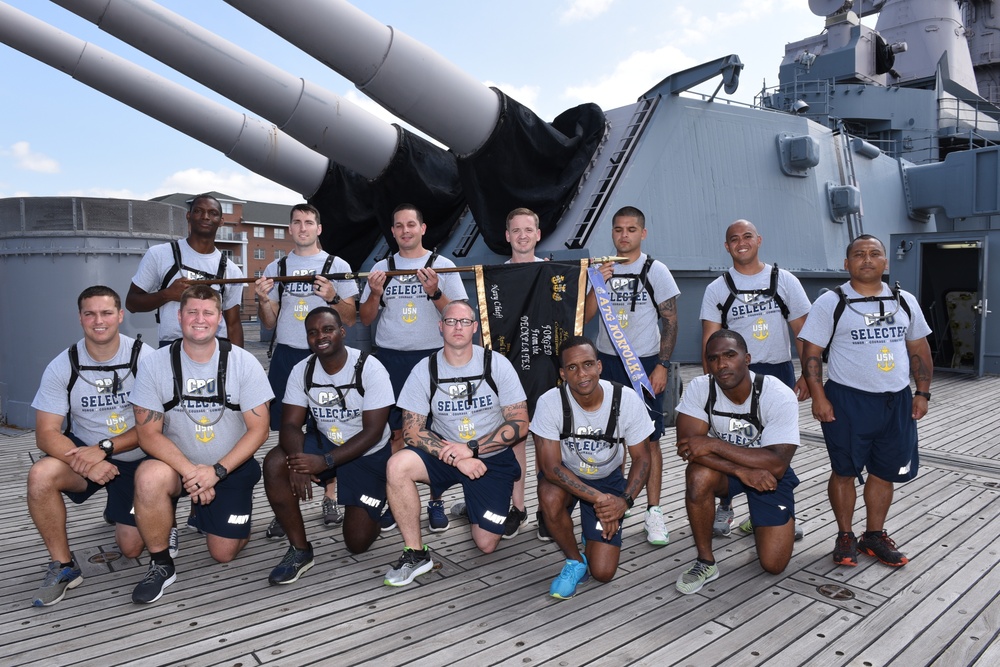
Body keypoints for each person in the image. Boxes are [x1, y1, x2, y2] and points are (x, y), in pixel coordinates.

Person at [128, 285, 272, 603]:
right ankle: (162, 564)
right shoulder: (154, 364)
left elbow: (259, 430)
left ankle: (207, 515)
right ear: (179, 316)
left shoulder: (244, 363)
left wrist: (217, 471)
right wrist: (195, 473)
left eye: (207, 312)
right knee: (147, 478)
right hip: (178, 467)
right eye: (192, 311)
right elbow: (147, 434)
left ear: (219, 319)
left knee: (223, 553)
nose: (199, 319)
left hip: (230, 468)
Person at [799, 234, 932, 568]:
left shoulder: (905, 301)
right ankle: (845, 535)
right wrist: (819, 397)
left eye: (875, 254)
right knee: (844, 470)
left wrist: (923, 391)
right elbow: (812, 352)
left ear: (886, 262)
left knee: (884, 471)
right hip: (848, 401)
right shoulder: (832, 302)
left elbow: (918, 348)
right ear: (847, 264)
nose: (867, 259)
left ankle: (873, 535)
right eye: (859, 254)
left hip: (896, 401)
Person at [382, 300, 529, 586]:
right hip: (446, 454)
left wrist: (472, 448)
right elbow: (411, 431)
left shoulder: (496, 363)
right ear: (441, 327)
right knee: (397, 465)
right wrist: (458, 457)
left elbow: (520, 423)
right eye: (450, 322)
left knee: (486, 543)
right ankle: (415, 553)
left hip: (490, 458)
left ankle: (472, 505)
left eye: (464, 322)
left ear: (474, 328)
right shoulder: (425, 369)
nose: (457, 327)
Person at [27, 286, 153, 606]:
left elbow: (155, 428)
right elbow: (46, 433)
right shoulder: (63, 365)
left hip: (136, 459)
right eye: (90, 313)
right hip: (85, 456)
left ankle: (141, 508)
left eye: (107, 312)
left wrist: (106, 449)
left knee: (131, 549)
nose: (99, 320)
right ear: (80, 318)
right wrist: (93, 459)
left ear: (120, 316)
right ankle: (64, 566)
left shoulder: (145, 358)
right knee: (41, 475)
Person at [261, 307, 393, 584]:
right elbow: (290, 425)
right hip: (326, 441)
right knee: (275, 463)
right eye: (313, 332)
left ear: (342, 332)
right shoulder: (303, 369)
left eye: (327, 329)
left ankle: (385, 499)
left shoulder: (370, 367)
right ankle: (300, 550)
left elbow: (373, 432)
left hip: (366, 453)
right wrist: (298, 461)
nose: (320, 336)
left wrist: (326, 462)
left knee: (357, 543)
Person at [359, 203, 469, 533]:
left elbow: (459, 314)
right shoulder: (382, 267)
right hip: (390, 359)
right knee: (393, 433)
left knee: (433, 434)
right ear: (392, 232)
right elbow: (365, 318)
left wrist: (434, 291)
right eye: (398, 226)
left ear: (423, 228)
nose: (405, 230)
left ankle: (435, 501)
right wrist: (375, 294)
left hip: (432, 359)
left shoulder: (443, 265)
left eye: (411, 224)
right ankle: (396, 501)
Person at [699, 219, 811, 538]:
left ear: (759, 240)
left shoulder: (784, 280)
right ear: (727, 246)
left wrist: (807, 376)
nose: (741, 242)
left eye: (747, 236)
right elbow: (710, 339)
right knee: (727, 441)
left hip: (777, 373)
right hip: (733, 377)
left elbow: (803, 331)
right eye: (734, 238)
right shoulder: (717, 289)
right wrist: (712, 387)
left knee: (776, 445)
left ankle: (778, 509)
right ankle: (726, 506)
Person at [254, 203, 358, 533]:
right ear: (290, 229)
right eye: (297, 222)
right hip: (287, 357)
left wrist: (333, 297)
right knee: (289, 429)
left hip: (326, 360)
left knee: (331, 425)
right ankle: (287, 502)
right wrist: (262, 300)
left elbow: (352, 318)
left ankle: (331, 495)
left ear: (319, 228)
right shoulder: (277, 265)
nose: (303, 227)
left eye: (309, 222)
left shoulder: (336, 265)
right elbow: (269, 323)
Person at [673, 330, 800, 594]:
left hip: (768, 475)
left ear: (747, 358)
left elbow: (776, 463)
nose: (721, 365)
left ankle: (760, 517)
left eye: (730, 355)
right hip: (730, 470)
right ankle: (706, 561)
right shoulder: (700, 388)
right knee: (697, 475)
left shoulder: (776, 393)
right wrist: (740, 470)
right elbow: (688, 448)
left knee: (773, 564)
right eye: (714, 358)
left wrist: (714, 443)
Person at [585, 205, 679, 546]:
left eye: (630, 229)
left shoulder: (656, 270)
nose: (624, 235)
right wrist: (599, 282)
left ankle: (654, 511)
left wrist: (662, 366)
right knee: (610, 436)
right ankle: (613, 503)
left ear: (642, 233)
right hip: (606, 364)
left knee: (649, 440)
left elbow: (670, 320)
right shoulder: (600, 268)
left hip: (644, 363)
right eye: (618, 229)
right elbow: (584, 315)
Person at [531, 336, 652, 599]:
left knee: (604, 572)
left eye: (587, 364)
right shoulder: (550, 402)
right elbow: (551, 467)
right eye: (572, 368)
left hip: (607, 479)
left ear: (599, 366)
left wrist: (624, 501)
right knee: (548, 495)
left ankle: (591, 535)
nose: (582, 374)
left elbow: (642, 458)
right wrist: (602, 501)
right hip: (566, 476)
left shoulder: (626, 399)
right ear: (563, 374)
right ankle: (575, 561)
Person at [127, 193, 245, 347]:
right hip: (171, 347)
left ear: (221, 221)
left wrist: (237, 362)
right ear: (188, 216)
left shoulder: (232, 270)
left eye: (213, 213)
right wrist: (167, 294)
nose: (205, 217)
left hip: (215, 350)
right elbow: (131, 303)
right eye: (198, 211)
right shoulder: (160, 254)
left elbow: (234, 324)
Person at [501, 207, 545, 539]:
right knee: (514, 441)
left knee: (547, 444)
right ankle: (518, 507)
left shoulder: (556, 274)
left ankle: (548, 508)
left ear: (538, 234)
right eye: (516, 230)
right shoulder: (495, 277)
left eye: (528, 230)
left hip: (546, 370)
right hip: (510, 373)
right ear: (507, 236)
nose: (522, 236)